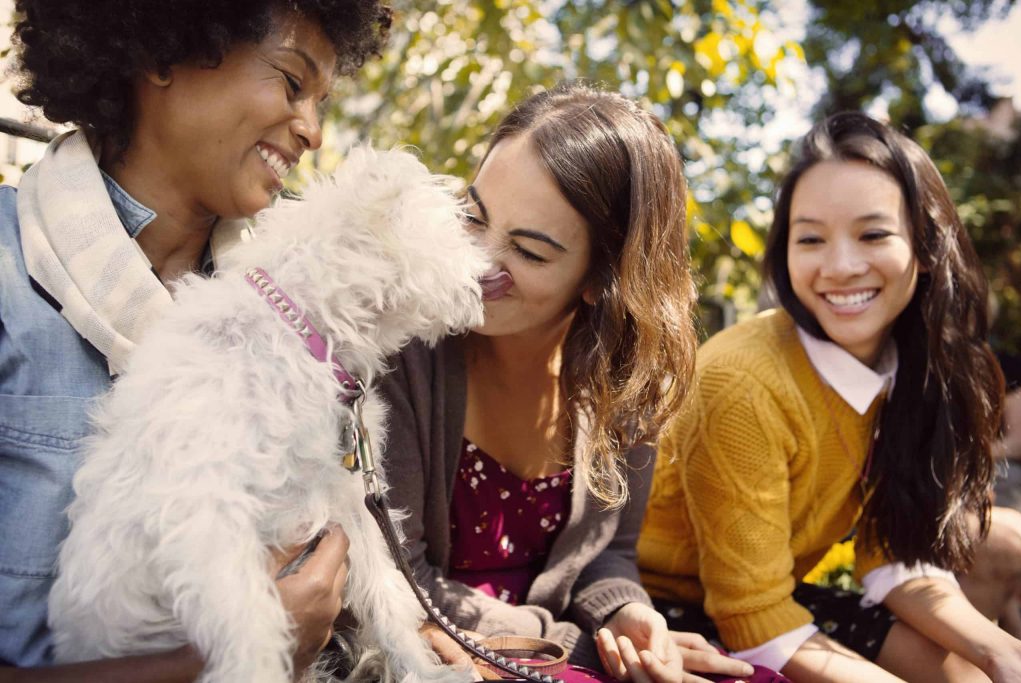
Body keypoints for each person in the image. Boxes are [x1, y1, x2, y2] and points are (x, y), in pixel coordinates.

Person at [0, 0, 390, 678]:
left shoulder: (294, 317)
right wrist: (222, 654)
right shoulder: (10, 274)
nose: (314, 131)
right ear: (162, 52)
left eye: (323, 101)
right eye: (293, 83)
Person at [380, 82, 757, 683]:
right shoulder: (402, 349)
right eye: (473, 217)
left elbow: (608, 553)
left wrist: (628, 613)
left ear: (602, 277)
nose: (478, 262)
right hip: (437, 649)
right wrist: (577, 645)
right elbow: (400, 584)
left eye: (528, 251)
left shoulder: (627, 385)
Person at [639, 111, 1021, 682]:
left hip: (774, 600)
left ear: (925, 243)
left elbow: (891, 552)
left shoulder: (909, 368)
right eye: (811, 238)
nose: (840, 267)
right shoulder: (744, 382)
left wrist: (1000, 651)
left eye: (873, 234)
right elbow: (751, 615)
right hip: (663, 610)